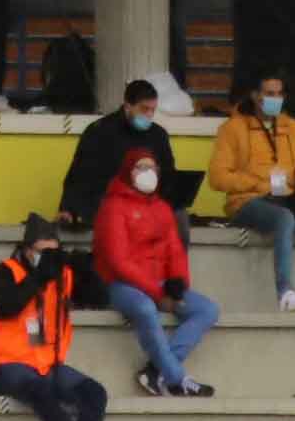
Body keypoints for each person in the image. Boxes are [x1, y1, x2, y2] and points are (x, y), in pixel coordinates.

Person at [0, 217, 120, 421]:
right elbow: (8, 306)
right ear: (26, 249)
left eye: (52, 252)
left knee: (94, 393)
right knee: (41, 391)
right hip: (7, 365)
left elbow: (100, 299)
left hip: (47, 365)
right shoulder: (7, 270)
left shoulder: (61, 275)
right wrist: (37, 277)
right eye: (43, 252)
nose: (47, 259)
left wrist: (87, 270)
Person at [208, 69, 295, 311]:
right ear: (254, 95)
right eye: (270, 93)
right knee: (284, 218)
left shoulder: (293, 127)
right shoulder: (232, 128)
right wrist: (257, 184)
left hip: (287, 201)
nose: (276, 98)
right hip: (248, 203)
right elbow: (218, 178)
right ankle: (286, 293)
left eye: (279, 93)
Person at [91, 143, 217, 398]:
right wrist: (158, 294)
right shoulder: (113, 207)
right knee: (146, 308)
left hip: (160, 284)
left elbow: (175, 251)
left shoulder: (162, 208)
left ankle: (155, 370)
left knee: (207, 309)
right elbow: (118, 261)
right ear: (128, 171)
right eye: (140, 167)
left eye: (151, 168)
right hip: (121, 285)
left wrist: (178, 285)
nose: (147, 173)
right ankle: (176, 379)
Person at [60, 80, 177, 224]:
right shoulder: (99, 132)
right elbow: (79, 176)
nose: (149, 114)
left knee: (180, 217)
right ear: (127, 107)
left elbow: (169, 175)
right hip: (108, 205)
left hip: (149, 204)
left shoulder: (158, 135)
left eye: (153, 110)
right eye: (144, 109)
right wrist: (67, 208)